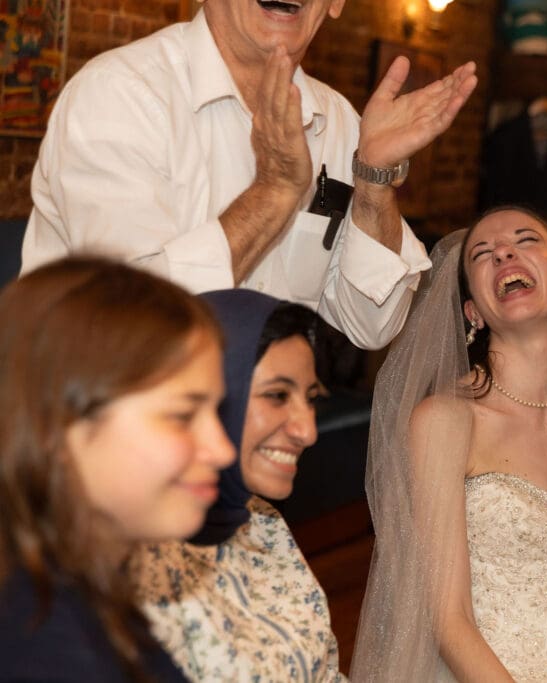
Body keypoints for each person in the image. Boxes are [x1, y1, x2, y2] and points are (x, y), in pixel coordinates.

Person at [23, 0, 478, 350]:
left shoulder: (340, 121)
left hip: (262, 430)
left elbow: (372, 325)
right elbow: (129, 324)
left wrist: (374, 180)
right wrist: (275, 192)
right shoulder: (121, 95)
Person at [351, 207, 547, 682]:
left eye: (525, 240)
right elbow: (448, 617)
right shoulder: (445, 421)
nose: (503, 253)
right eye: (482, 254)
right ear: (473, 311)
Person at [0, 257, 235, 681]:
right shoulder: (43, 648)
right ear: (54, 427)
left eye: (217, 413)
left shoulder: (79, 589)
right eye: (182, 416)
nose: (222, 451)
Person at [133, 289, 349, 682]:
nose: (308, 431)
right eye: (277, 395)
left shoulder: (262, 521)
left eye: (310, 399)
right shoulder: (138, 560)